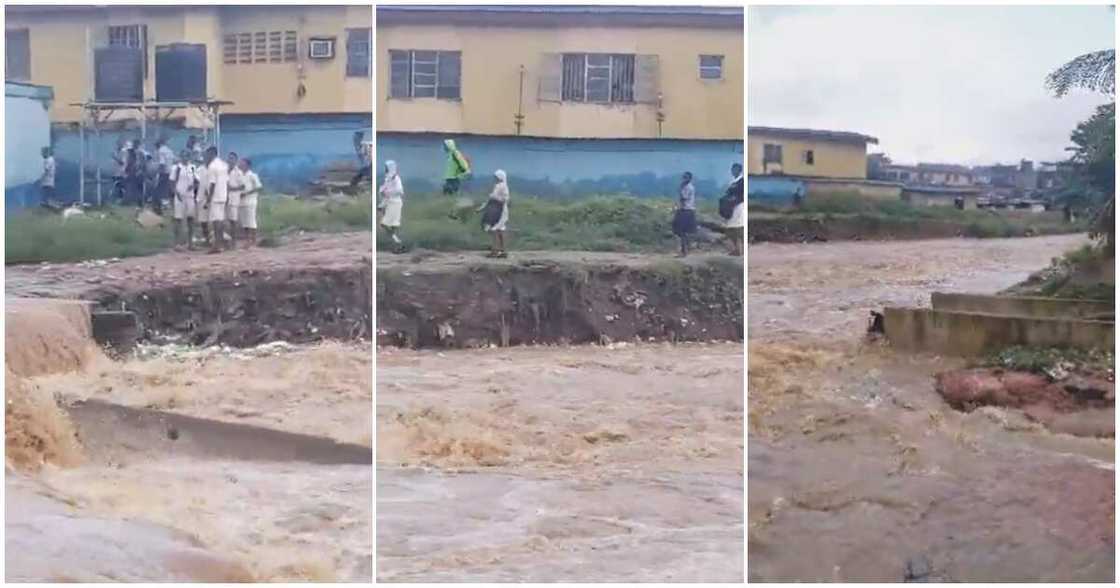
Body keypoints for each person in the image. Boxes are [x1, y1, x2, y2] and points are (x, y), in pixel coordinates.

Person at [204, 146, 230, 253]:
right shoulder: (224, 165)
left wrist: (208, 199)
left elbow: (212, 184)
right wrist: (227, 195)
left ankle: (216, 245)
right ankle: (220, 244)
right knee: (220, 220)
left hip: (215, 196)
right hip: (223, 195)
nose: (206, 156)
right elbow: (227, 182)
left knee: (216, 222)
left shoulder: (212, 166)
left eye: (207, 154)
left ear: (211, 153)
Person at [170, 150, 198, 250]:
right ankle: (177, 243)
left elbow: (197, 181)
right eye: (183, 155)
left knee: (191, 219)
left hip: (190, 196)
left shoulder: (192, 167)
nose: (185, 157)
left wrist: (193, 186)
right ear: (181, 156)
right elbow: (172, 182)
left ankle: (190, 243)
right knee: (178, 219)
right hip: (179, 196)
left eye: (187, 155)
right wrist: (176, 193)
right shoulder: (176, 168)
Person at [479, 169, 510, 258]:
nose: (495, 178)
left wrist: (494, 197)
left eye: (496, 177)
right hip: (497, 210)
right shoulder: (498, 186)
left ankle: (495, 251)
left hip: (501, 210)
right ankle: (502, 251)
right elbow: (490, 200)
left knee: (495, 230)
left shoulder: (503, 186)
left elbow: (505, 199)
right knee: (500, 230)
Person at [378, 160, 405, 252]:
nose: (385, 169)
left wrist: (387, 192)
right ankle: (398, 245)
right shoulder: (388, 179)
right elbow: (385, 194)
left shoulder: (396, 178)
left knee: (385, 224)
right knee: (392, 227)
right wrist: (382, 204)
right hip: (390, 203)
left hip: (395, 203)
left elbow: (400, 191)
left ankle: (398, 243)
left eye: (386, 167)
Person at [237, 158, 262, 248]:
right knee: (244, 222)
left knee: (251, 221)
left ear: (247, 165)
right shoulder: (239, 175)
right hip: (241, 202)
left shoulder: (252, 175)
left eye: (242, 163)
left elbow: (258, 187)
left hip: (250, 201)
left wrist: (247, 193)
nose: (240, 164)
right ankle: (247, 240)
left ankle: (253, 240)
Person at [672, 171, 698, 257]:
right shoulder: (685, 187)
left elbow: (683, 198)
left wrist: (680, 189)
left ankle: (684, 251)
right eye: (684, 177)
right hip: (683, 210)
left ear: (690, 178)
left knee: (682, 231)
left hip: (686, 210)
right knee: (681, 232)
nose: (684, 179)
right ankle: (684, 250)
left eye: (686, 177)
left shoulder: (688, 187)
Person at [725, 163, 745, 256]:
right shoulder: (732, 182)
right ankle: (735, 250)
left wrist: (735, 199)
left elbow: (742, 196)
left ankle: (740, 250)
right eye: (732, 169)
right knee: (730, 228)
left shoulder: (742, 181)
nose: (733, 171)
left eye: (735, 169)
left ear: (739, 170)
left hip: (739, 207)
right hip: (731, 207)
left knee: (739, 229)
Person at [225, 151, 243, 246]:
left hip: (233, 199)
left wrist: (231, 188)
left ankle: (234, 241)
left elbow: (242, 186)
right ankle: (224, 240)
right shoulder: (224, 171)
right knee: (222, 220)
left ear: (236, 160)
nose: (230, 160)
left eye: (232, 158)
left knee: (233, 221)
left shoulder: (238, 172)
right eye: (229, 158)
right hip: (223, 199)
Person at [154, 137, 174, 215]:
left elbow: (162, 163)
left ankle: (163, 205)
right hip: (170, 171)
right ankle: (166, 204)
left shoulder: (161, 151)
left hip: (164, 172)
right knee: (166, 188)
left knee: (160, 189)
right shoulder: (169, 150)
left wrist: (158, 173)